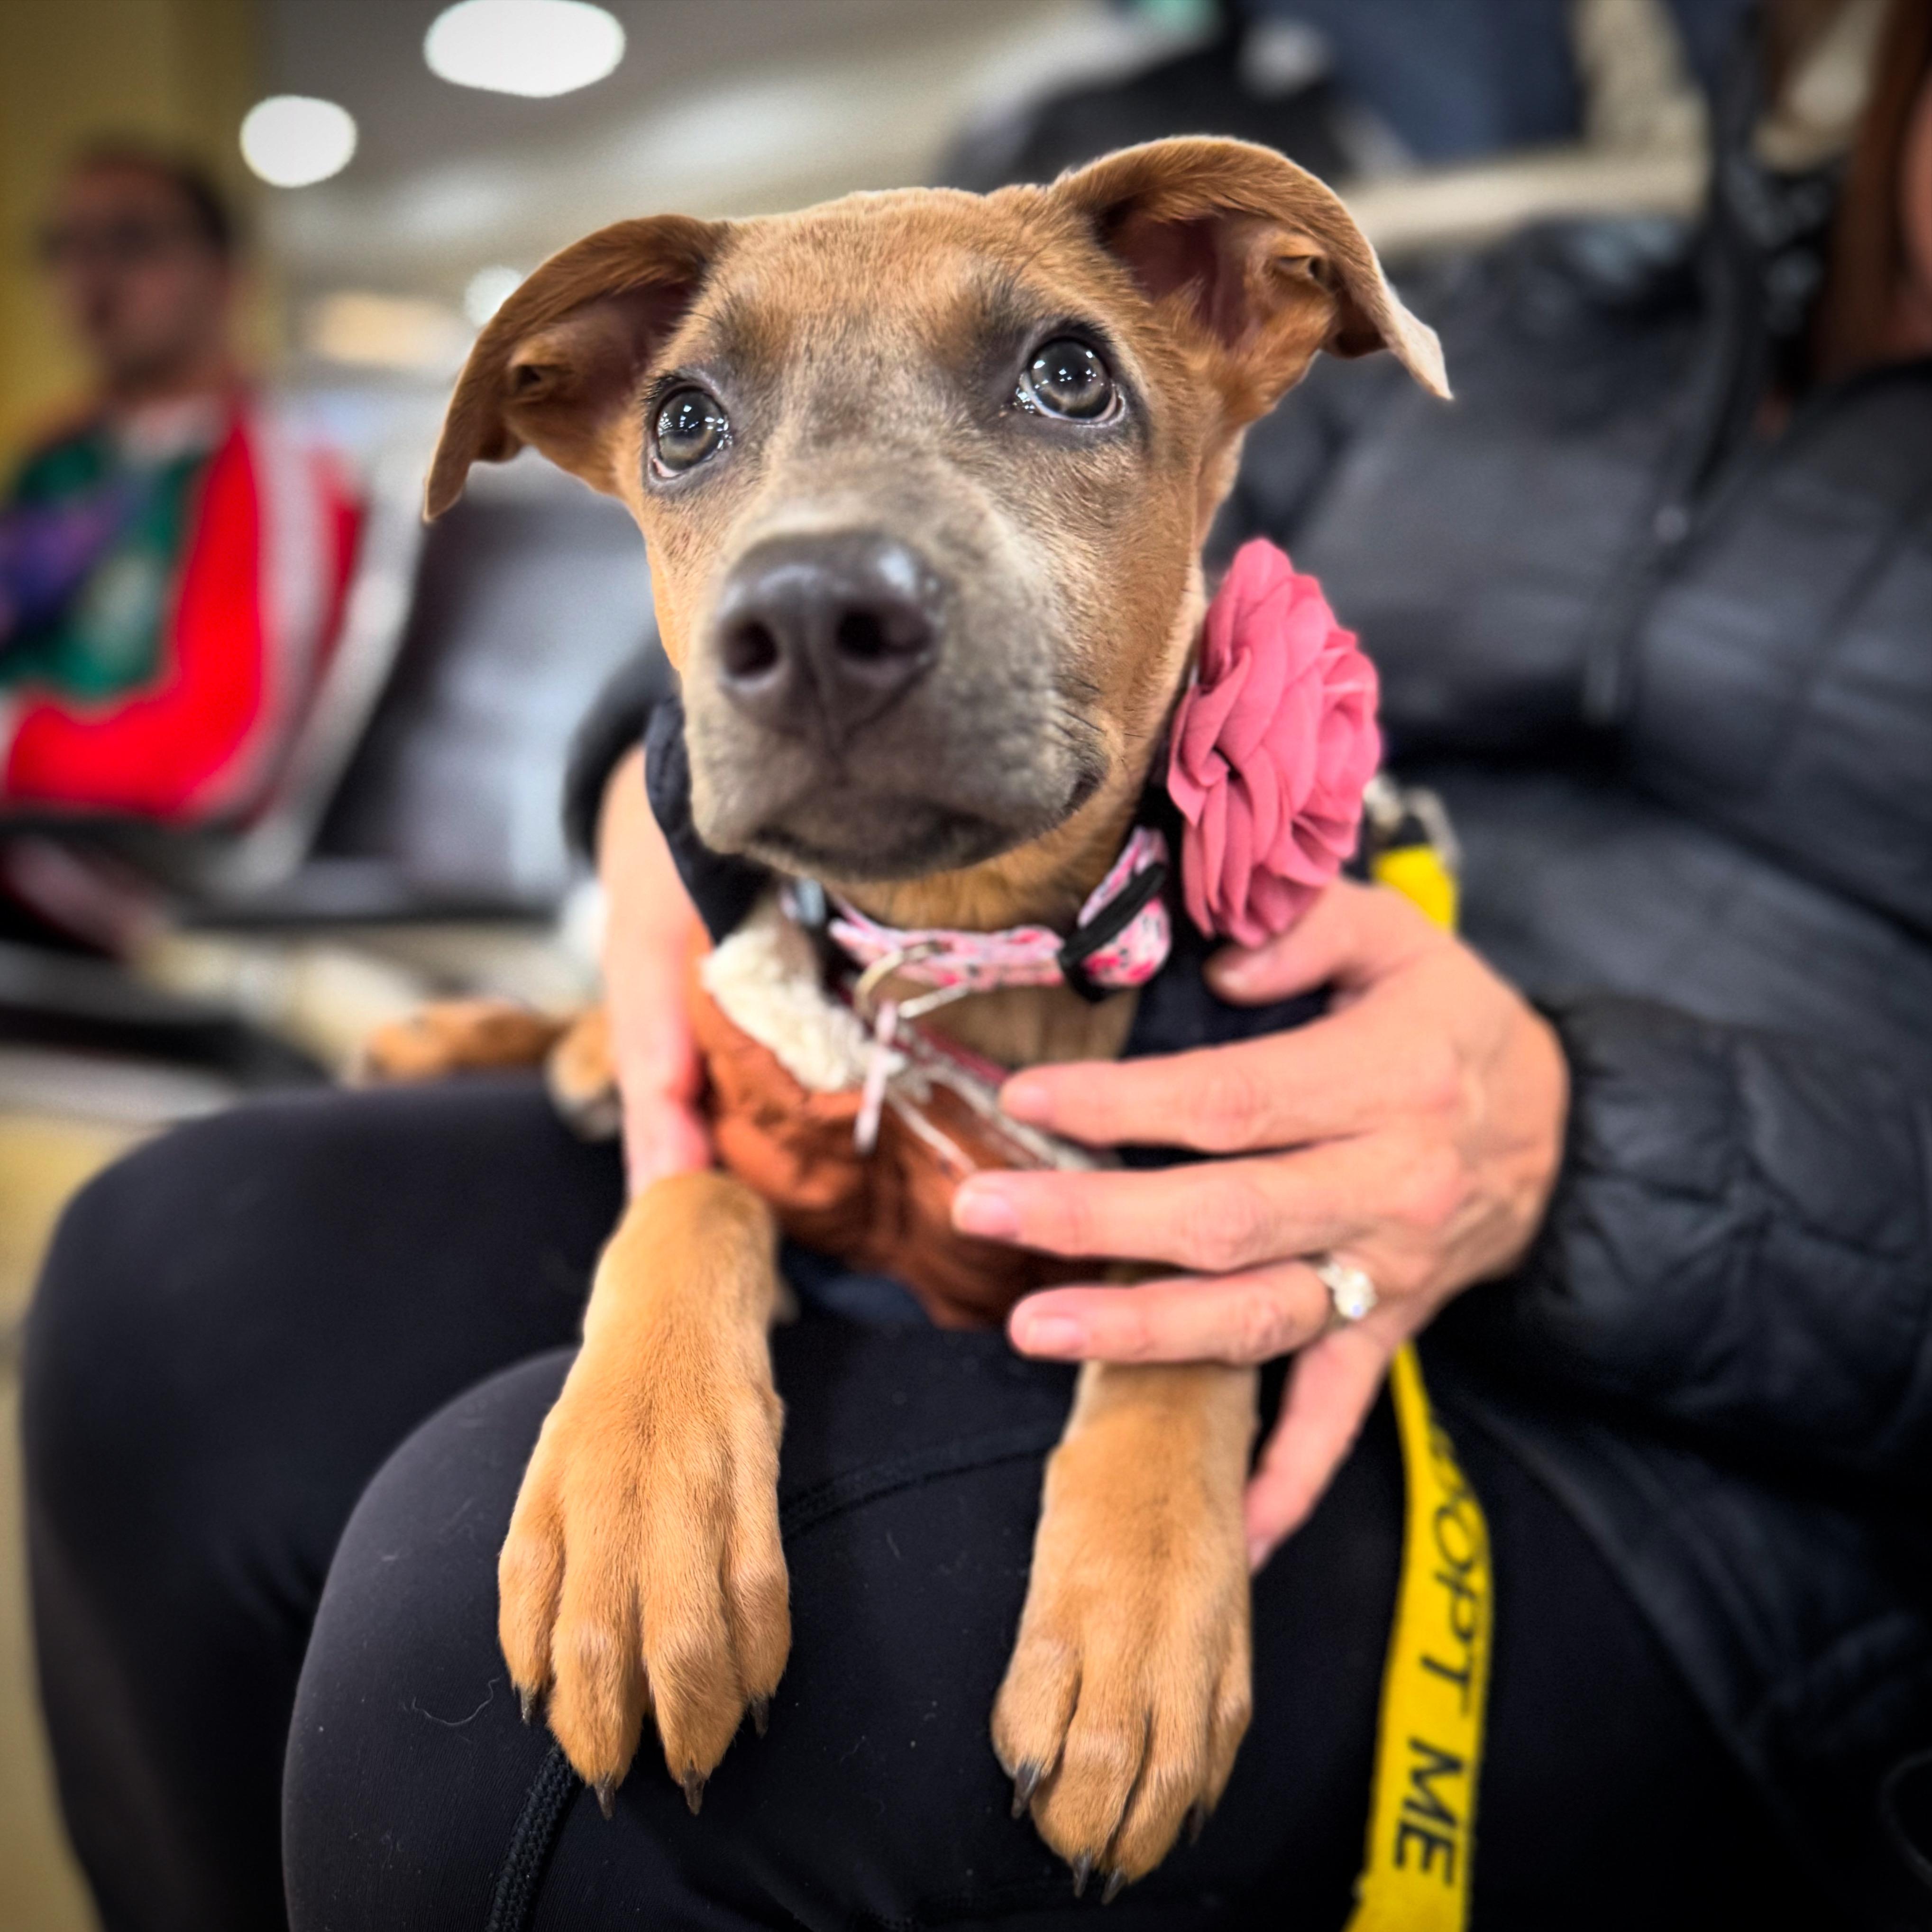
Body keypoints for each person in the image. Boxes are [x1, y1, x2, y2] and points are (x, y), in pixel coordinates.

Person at [21, 1, 1932, 1925]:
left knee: (475, 1675)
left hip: (1673, 1425)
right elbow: (925, 520)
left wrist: (1570, 1131)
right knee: (166, 1274)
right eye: (672, 415)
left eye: (1061, 375)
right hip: (978, 1018)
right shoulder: (1570, 308)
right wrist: (647, 775)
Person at [0, 144, 357, 871]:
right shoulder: (57, 462)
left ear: (226, 275)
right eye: (67, 246)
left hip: (142, 875)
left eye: (132, 240)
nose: (92, 276)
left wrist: (14, 745)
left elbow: (217, 760)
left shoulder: (269, 463)